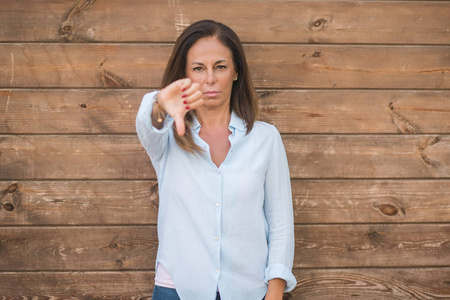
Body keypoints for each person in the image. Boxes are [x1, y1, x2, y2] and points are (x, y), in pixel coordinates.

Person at [136, 20, 296, 300]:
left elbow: (280, 222)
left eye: (220, 66)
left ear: (236, 72)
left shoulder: (266, 139)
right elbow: (149, 125)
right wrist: (160, 105)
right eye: (198, 68)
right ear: (184, 74)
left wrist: (275, 291)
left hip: (250, 290)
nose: (209, 78)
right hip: (177, 289)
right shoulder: (167, 137)